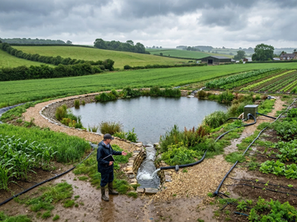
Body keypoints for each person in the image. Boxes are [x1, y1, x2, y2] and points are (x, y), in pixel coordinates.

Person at [97, 133, 127, 202]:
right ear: (107, 139)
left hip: (110, 167)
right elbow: (99, 159)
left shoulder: (108, 145)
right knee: (104, 180)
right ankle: (103, 195)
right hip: (104, 168)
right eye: (110, 139)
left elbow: (112, 152)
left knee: (111, 178)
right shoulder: (100, 148)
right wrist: (107, 162)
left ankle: (111, 191)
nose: (111, 140)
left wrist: (120, 153)